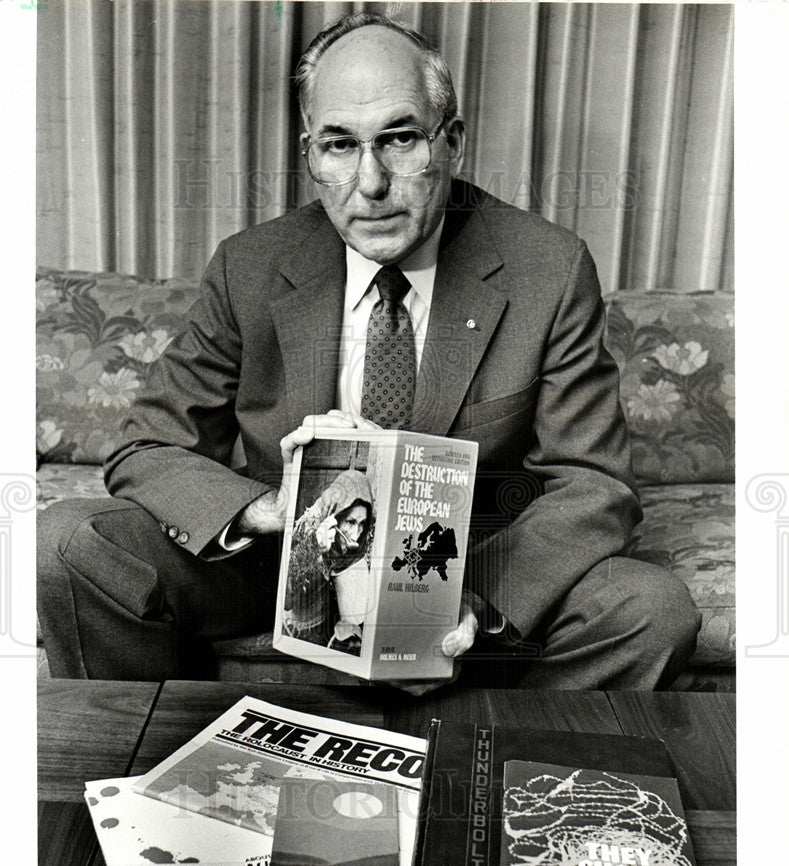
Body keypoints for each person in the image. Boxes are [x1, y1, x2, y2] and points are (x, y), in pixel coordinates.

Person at [37, 12, 701, 688]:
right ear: (310, 155)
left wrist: (468, 600)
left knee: (649, 608)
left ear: (452, 143)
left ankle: (486, 762)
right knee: (73, 540)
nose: (371, 182)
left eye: (400, 139)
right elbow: (147, 447)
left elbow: (592, 483)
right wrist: (274, 509)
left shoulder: (546, 267)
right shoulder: (251, 265)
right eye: (339, 145)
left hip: (466, 561)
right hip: (281, 563)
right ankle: (156, 762)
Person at [283, 469, 373, 652]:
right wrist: (316, 548)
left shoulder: (361, 542)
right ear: (335, 516)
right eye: (350, 522)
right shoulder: (309, 530)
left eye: (362, 524)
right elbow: (287, 596)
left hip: (335, 630)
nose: (356, 535)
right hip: (302, 632)